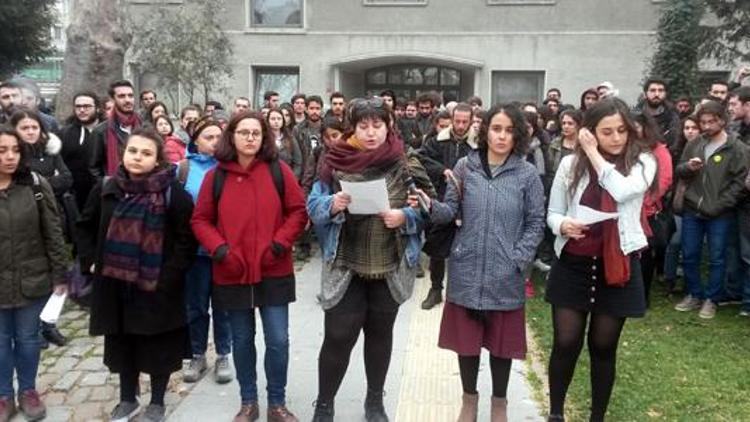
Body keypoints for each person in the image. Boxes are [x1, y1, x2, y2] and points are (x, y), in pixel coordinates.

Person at [307, 98, 428, 422]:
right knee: (338, 335)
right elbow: (313, 206)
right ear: (352, 127)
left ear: (389, 126)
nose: (371, 132)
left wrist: (405, 216)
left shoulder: (404, 161)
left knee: (379, 333)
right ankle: (324, 403)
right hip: (345, 262)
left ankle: (375, 401)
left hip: (389, 264)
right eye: (363, 125)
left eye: (378, 125)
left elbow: (429, 209)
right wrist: (333, 204)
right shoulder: (334, 161)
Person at [422, 104, 545, 422]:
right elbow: (450, 211)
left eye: (508, 130)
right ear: (485, 130)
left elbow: (535, 222)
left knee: (502, 347)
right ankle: (469, 399)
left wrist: (519, 259)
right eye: (496, 128)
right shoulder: (465, 167)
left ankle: (499, 404)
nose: (502, 136)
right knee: (468, 343)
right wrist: (429, 205)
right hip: (467, 265)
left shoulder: (527, 173)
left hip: (507, 271)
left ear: (517, 135)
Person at [191, 112, 307, 422]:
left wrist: (280, 244)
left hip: (273, 268)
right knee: (242, 340)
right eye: (244, 132)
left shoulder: (278, 170)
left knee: (278, 339)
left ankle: (277, 403)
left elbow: (297, 211)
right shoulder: (216, 177)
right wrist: (221, 250)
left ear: (264, 137)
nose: (251, 137)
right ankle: (248, 402)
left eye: (256, 132)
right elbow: (200, 220)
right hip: (233, 270)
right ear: (232, 136)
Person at [545, 98, 656, 422]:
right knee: (565, 342)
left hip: (616, 265)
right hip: (574, 263)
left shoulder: (643, 162)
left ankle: (597, 417)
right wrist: (562, 225)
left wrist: (593, 154)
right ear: (591, 132)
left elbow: (622, 191)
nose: (617, 138)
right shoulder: (569, 165)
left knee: (603, 347)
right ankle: (555, 414)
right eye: (607, 132)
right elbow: (552, 212)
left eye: (621, 130)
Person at [76, 128, 197, 422]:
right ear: (123, 153)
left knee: (158, 346)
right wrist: (91, 260)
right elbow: (84, 226)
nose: (138, 158)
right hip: (116, 285)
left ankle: (157, 401)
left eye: (146, 153)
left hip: (157, 285)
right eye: (133, 151)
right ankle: (127, 399)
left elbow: (186, 240)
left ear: (157, 160)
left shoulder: (174, 195)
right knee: (122, 343)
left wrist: (169, 276)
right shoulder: (106, 188)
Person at [0, 127, 68, 422]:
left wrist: (60, 274)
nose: (10, 156)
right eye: (2, 150)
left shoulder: (35, 185)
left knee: (27, 339)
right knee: (0, 341)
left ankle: (28, 390)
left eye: (15, 150)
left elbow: (53, 232)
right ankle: (3, 395)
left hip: (32, 277)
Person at [674, 101, 749, 319]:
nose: (706, 126)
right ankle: (693, 294)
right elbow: (680, 168)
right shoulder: (695, 143)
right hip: (692, 209)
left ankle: (711, 299)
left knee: (717, 257)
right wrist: (688, 168)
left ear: (722, 121)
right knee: (689, 254)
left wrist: (720, 204)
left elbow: (740, 183)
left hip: (720, 213)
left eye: (710, 122)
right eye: (702, 122)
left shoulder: (737, 148)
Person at [176, 117, 234, 385]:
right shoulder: (183, 169)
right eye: (208, 137)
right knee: (195, 306)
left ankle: (224, 353)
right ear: (195, 140)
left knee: (223, 306)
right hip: (194, 253)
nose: (214, 142)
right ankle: (197, 353)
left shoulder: (230, 168)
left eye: (218, 137)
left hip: (223, 251)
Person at [418, 103, 477, 310]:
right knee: (437, 246)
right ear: (452, 119)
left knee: (470, 248)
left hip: (472, 202)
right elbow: (420, 158)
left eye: (465, 121)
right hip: (443, 199)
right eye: (457, 121)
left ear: (471, 121)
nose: (460, 126)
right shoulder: (438, 140)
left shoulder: (478, 144)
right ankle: (435, 290)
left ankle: (467, 293)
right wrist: (442, 170)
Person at [631, 112, 673, 307]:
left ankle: (642, 297)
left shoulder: (659, 151)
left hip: (647, 212)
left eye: (636, 126)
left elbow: (664, 180)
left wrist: (645, 202)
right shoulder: (627, 148)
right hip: (627, 210)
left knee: (645, 256)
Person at [663, 115, 701, 293]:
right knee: (676, 241)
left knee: (689, 243)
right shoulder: (676, 150)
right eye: (687, 128)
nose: (690, 131)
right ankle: (669, 278)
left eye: (694, 127)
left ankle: (688, 282)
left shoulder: (705, 149)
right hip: (678, 202)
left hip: (699, 203)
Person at [89, 80, 143, 179]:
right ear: (113, 100)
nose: (127, 100)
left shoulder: (145, 127)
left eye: (130, 96)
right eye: (122, 96)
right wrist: (106, 186)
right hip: (115, 188)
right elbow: (94, 168)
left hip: (144, 187)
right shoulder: (100, 132)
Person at [60, 92, 101, 210]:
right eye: (78, 107)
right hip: (75, 195)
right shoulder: (65, 133)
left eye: (87, 106)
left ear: (97, 108)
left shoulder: (106, 131)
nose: (82, 110)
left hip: (101, 193)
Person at [545, 109, 581, 193]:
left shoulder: (584, 144)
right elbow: (550, 168)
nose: (566, 126)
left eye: (570, 123)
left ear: (578, 125)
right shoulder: (555, 143)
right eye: (564, 123)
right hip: (557, 185)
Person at [267, 108, 303, 180]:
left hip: (287, 178)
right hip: (268, 179)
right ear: (268, 121)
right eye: (273, 119)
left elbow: (298, 162)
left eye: (279, 119)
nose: (276, 121)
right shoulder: (264, 139)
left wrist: (293, 178)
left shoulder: (290, 139)